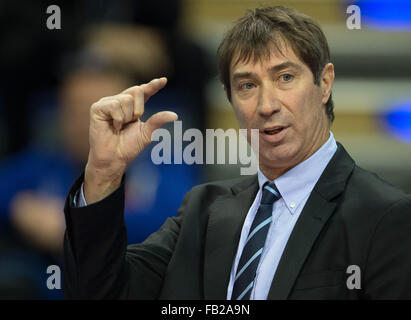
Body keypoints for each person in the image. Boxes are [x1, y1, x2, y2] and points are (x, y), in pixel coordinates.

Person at [63, 6, 411, 299]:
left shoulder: (385, 216)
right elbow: (101, 292)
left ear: (324, 83)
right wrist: (105, 172)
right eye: (247, 85)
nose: (267, 104)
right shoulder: (202, 211)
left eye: (285, 77)